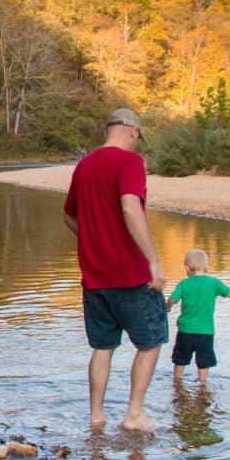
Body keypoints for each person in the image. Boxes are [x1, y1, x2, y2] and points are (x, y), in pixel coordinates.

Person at [63, 108, 167, 431]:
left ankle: (97, 416)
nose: (137, 144)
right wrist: (153, 259)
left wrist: (93, 239)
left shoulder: (84, 166)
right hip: (131, 275)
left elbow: (69, 216)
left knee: (102, 347)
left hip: (95, 278)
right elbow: (129, 205)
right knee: (151, 342)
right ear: (132, 132)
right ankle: (134, 415)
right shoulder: (130, 162)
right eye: (138, 138)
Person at [166, 248, 230, 384]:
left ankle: (177, 381)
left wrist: (167, 308)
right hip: (206, 331)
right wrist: (225, 293)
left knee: (180, 357)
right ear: (206, 266)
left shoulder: (184, 284)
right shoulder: (214, 283)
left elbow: (172, 299)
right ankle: (203, 383)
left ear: (186, 268)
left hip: (185, 330)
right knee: (204, 359)